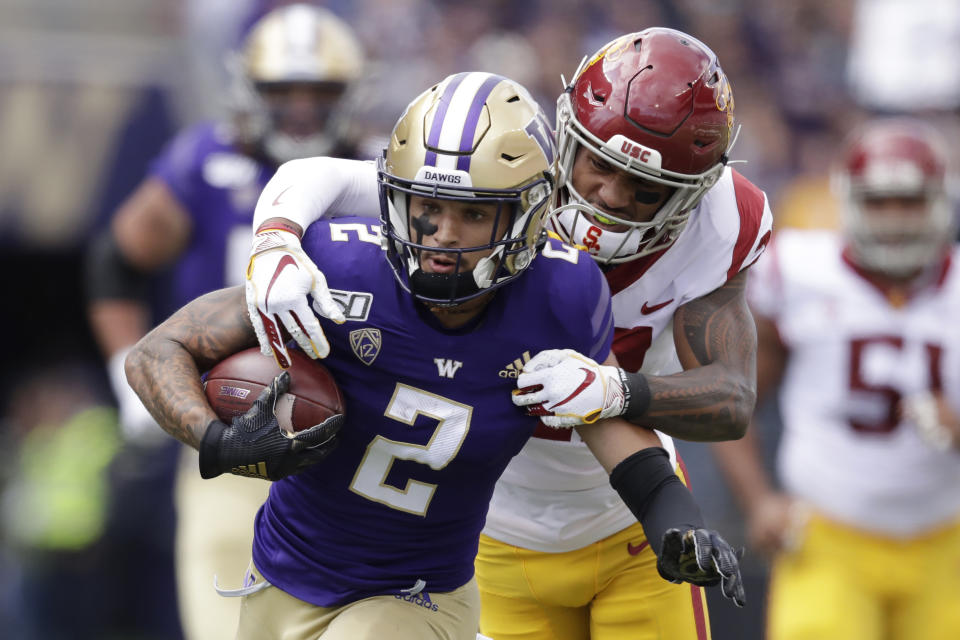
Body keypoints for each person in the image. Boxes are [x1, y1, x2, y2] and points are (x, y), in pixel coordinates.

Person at [126, 71, 743, 640]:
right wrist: (217, 440)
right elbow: (157, 352)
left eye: (474, 214)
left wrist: (672, 513)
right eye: (428, 209)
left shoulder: (561, 295)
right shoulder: (339, 265)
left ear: (527, 217)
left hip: (418, 596)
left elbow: (603, 422)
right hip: (282, 574)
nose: (444, 234)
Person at [84, 5, 365, 639]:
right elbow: (116, 261)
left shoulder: (371, 175)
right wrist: (121, 366)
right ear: (249, 91)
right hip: (227, 421)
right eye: (281, 91)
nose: (301, 109)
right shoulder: (206, 161)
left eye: (319, 91)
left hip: (348, 439)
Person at [712, 117, 960, 640]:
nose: (893, 219)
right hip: (828, 538)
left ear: (940, 201)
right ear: (848, 201)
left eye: (909, 202)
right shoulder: (800, 272)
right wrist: (758, 501)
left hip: (947, 541)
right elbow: (729, 398)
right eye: (877, 202)